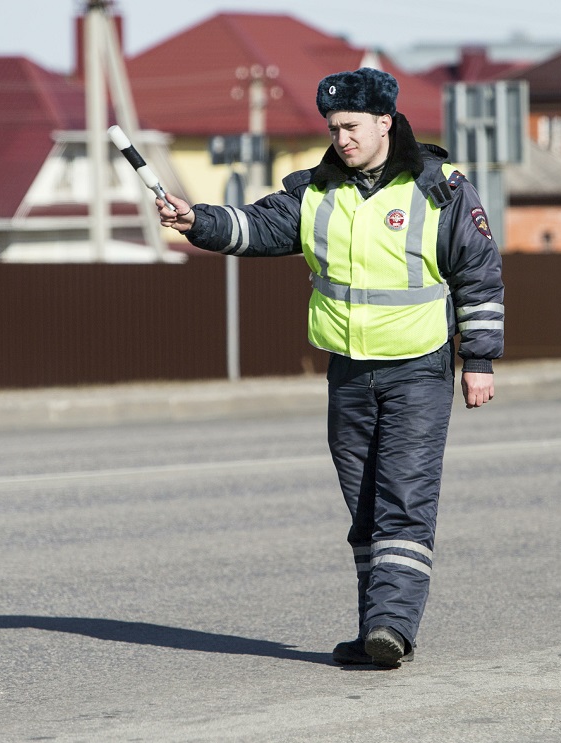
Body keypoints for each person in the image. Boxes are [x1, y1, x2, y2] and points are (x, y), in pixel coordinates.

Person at [156, 67, 505, 668]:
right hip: (348, 372)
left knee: (404, 498)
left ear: (384, 123)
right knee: (365, 507)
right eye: (333, 127)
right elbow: (258, 226)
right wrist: (197, 221)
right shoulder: (314, 189)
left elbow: (478, 274)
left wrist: (479, 360)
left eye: (351, 126)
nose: (341, 137)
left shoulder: (438, 187)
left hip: (418, 368)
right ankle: (375, 628)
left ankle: (393, 627)